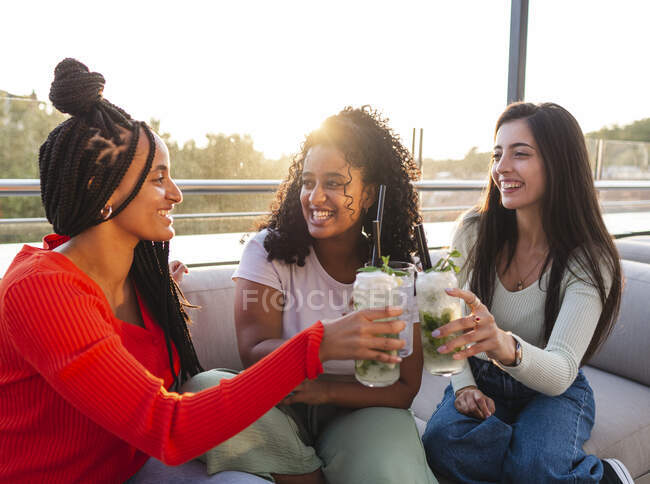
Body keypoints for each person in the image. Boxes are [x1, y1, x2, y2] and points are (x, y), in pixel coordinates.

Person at [0, 59, 407, 484]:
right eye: (158, 178)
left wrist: (160, 297)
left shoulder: (143, 280)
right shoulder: (40, 288)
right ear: (98, 189)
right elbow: (169, 428)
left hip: (133, 467)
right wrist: (316, 346)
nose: (175, 194)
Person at [215, 106, 437, 484]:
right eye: (307, 181)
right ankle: (307, 474)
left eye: (334, 182)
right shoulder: (268, 252)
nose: (315, 196)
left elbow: (403, 389)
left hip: (361, 412)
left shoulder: (397, 273)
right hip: (281, 406)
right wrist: (326, 343)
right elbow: (252, 354)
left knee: (389, 468)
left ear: (367, 195)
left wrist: (325, 390)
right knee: (205, 389)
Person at [421, 102, 633, 483]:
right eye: (497, 154)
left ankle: (605, 477)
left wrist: (502, 343)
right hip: (483, 379)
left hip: (552, 390)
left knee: (535, 467)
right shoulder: (472, 232)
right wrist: (464, 384)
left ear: (558, 164)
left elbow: (561, 372)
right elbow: (442, 315)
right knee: (442, 444)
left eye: (520, 154)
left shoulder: (589, 258)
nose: (502, 167)